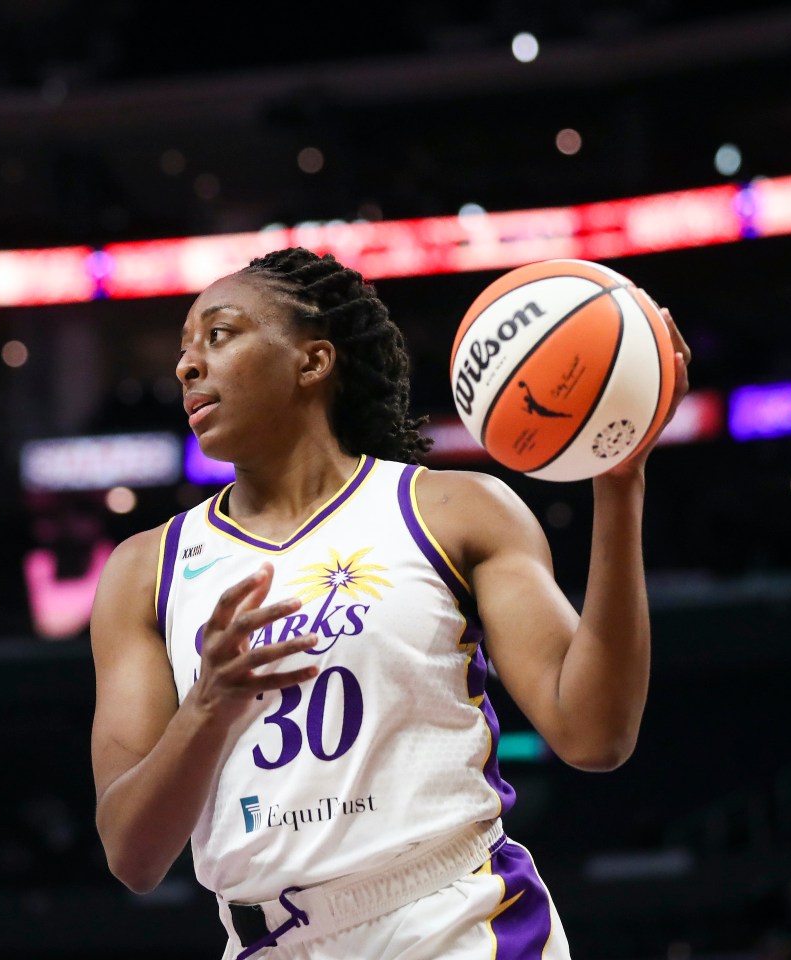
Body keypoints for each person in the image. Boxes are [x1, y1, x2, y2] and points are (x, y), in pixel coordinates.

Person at [89, 247, 691, 959]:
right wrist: (209, 705)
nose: (187, 366)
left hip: (452, 921)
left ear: (313, 362)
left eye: (219, 335)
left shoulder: (452, 510)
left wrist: (619, 484)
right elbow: (133, 856)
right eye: (186, 349)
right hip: (267, 942)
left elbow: (595, 735)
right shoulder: (144, 570)